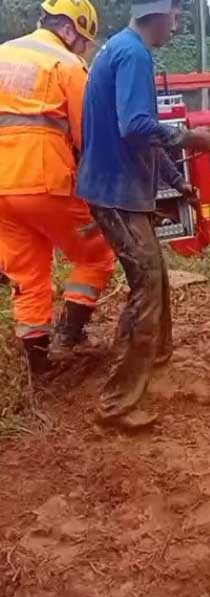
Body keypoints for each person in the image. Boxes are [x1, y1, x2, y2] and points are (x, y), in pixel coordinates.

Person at [76, 0, 210, 426]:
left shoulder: (121, 48)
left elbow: (143, 139)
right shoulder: (134, 54)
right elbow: (136, 127)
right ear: (157, 14)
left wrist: (178, 183)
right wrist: (189, 136)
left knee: (156, 275)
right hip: (114, 192)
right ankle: (116, 403)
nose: (175, 26)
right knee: (147, 284)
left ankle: (155, 352)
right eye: (174, 17)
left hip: (119, 188)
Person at [0, 0, 117, 377]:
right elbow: (89, 136)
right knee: (97, 253)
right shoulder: (66, 65)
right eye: (82, 40)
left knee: (28, 273)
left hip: (2, 190)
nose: (82, 48)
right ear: (68, 29)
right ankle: (71, 333)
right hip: (44, 180)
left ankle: (39, 366)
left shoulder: (3, 54)